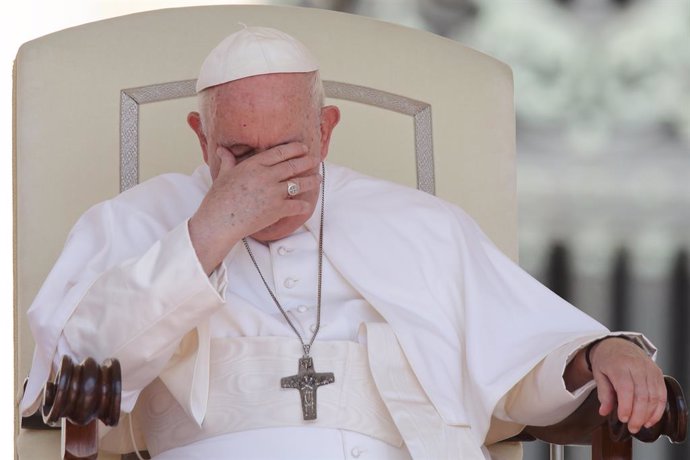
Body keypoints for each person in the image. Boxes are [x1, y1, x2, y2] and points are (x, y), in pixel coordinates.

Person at [20, 27, 666, 459]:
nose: (262, 181)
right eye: (239, 155)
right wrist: (208, 233)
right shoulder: (133, 221)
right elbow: (74, 368)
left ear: (326, 131)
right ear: (199, 137)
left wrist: (600, 353)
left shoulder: (422, 226)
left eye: (287, 152)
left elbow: (523, 357)